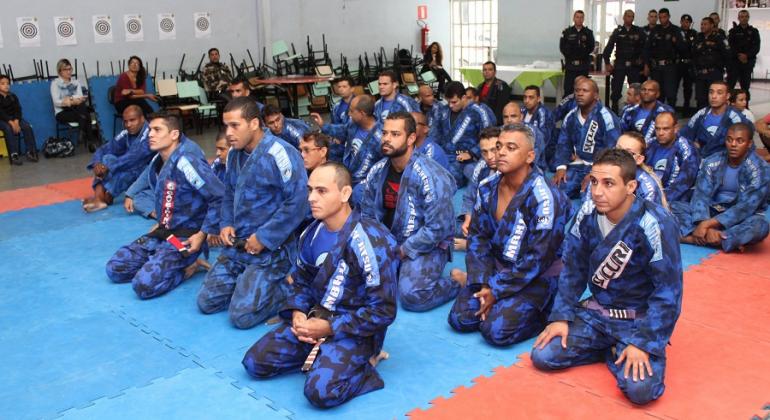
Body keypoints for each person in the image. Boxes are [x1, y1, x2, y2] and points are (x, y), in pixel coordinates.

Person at [532, 148, 683, 406]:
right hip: (597, 314)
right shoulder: (588, 213)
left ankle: (620, 347)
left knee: (640, 390)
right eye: (593, 181)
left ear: (631, 186)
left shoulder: (655, 223)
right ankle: (609, 348)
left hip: (638, 320)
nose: (597, 191)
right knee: (543, 356)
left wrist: (643, 343)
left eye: (608, 183)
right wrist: (561, 317)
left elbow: (668, 292)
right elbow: (573, 270)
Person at [242, 162, 399, 408]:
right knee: (255, 363)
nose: (312, 198)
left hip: (354, 330)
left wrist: (329, 327)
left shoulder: (371, 241)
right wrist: (298, 313)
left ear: (345, 194)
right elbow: (301, 282)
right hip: (315, 320)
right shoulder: (310, 234)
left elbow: (383, 311)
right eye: (310, 190)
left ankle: (366, 363)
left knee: (321, 393)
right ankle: (323, 358)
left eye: (322, 191)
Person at [449, 123, 571, 346]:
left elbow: (538, 258)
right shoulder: (487, 187)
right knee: (460, 319)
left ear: (530, 156)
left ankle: (544, 312)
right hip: (497, 269)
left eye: (511, 147)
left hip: (536, 277)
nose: (501, 152)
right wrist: (484, 282)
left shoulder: (546, 198)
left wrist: (497, 289)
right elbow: (478, 238)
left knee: (495, 331)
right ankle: (496, 299)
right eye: (499, 146)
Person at [197, 97, 309, 329]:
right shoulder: (235, 154)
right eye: (226, 125)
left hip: (272, 250)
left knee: (241, 317)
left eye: (235, 125)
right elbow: (229, 192)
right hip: (238, 246)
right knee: (206, 302)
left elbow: (298, 203)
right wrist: (226, 223)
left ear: (255, 124)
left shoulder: (281, 154)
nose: (228, 133)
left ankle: (289, 287)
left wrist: (265, 237)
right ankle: (249, 284)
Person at [105, 113, 224, 299]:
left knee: (142, 286)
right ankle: (161, 261)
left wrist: (202, 235)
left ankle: (188, 266)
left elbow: (219, 196)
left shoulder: (187, 161)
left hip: (183, 239)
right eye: (150, 130)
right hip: (162, 233)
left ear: (174, 134)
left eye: (157, 130)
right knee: (115, 268)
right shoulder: (158, 159)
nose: (150, 134)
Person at [360, 112, 459, 311]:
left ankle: (458, 282)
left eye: (395, 134)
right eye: (385, 133)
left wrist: (404, 250)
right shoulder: (377, 171)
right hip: (389, 242)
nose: (387, 139)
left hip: (426, 245)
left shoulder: (430, 175)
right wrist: (378, 245)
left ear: (411, 138)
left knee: (412, 296)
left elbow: (437, 228)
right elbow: (368, 215)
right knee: (355, 284)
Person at [673, 122, 770, 252]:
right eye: (729, 140)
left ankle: (690, 237)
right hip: (711, 210)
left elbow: (746, 207)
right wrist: (703, 221)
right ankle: (722, 240)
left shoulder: (760, 169)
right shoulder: (712, 161)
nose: (733, 145)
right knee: (670, 207)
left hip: (741, 218)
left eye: (739, 141)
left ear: (749, 144)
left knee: (760, 226)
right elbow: (700, 195)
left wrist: (707, 225)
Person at [553, 78, 622, 199]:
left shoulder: (606, 117)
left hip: (601, 168)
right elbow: (563, 144)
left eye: (585, 90)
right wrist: (561, 167)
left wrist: (595, 172)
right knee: (556, 191)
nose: (579, 94)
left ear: (595, 95)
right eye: (577, 90)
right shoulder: (571, 116)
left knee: (590, 197)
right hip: (577, 166)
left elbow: (613, 150)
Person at [83, 105, 153, 212]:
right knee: (107, 158)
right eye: (125, 121)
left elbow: (134, 158)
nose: (128, 125)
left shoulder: (150, 134)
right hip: (132, 170)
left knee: (130, 167)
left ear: (142, 119)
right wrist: (97, 164)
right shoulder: (126, 133)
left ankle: (107, 196)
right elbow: (104, 149)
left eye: (132, 120)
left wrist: (108, 167)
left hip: (149, 175)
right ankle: (100, 196)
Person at [311, 95, 382, 200]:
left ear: (362, 114)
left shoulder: (381, 138)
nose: (349, 114)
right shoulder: (353, 124)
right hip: (347, 172)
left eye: (352, 111)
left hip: (364, 183)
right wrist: (323, 126)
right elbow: (343, 130)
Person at [437, 81, 495, 187]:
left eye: (454, 102)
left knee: (448, 178)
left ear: (464, 97)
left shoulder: (479, 112)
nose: (450, 105)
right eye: (448, 102)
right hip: (444, 154)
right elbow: (436, 133)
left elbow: (491, 137)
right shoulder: (444, 111)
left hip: (465, 157)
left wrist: (472, 153)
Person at [679, 80, 750, 158]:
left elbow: (745, 146)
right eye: (711, 92)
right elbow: (684, 135)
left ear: (727, 96)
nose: (714, 96)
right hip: (700, 160)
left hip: (725, 162)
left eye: (719, 93)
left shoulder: (736, 118)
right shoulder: (701, 114)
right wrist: (692, 145)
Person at [457, 127, 500, 253]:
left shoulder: (512, 172)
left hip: (502, 228)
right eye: (484, 152)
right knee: (444, 225)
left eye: (494, 150)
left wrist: (471, 243)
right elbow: (470, 196)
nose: (489, 157)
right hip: (480, 220)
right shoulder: (482, 166)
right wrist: (468, 219)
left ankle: (475, 245)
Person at [645, 112, 700, 203]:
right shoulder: (649, 144)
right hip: (648, 194)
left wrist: (659, 200)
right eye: (657, 129)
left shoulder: (687, 149)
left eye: (665, 129)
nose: (660, 133)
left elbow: (683, 184)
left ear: (675, 129)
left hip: (675, 201)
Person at [603, 9, 646, 113]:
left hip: (634, 65)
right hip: (620, 64)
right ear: (623, 17)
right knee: (616, 89)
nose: (629, 18)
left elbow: (645, 47)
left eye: (631, 16)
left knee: (636, 89)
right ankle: (614, 110)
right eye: (628, 16)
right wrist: (607, 62)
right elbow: (609, 47)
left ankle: (636, 111)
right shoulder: (618, 31)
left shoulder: (639, 31)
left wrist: (643, 62)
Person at [51, 58, 98, 149]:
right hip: (62, 112)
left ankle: (81, 131)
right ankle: (90, 142)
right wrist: (73, 101)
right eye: (66, 69)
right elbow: (56, 102)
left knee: (82, 108)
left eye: (70, 69)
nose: (69, 72)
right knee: (86, 116)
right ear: (60, 71)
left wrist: (70, 99)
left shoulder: (75, 82)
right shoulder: (55, 84)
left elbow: (80, 97)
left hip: (76, 110)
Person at [610, 132, 666, 207]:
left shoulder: (647, 188)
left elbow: (650, 217)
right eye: (618, 149)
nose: (619, 155)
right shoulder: (603, 171)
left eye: (628, 152)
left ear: (639, 159)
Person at [642, 8, 684, 106]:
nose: (662, 20)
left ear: (668, 17)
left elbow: (684, 49)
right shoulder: (655, 30)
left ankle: (671, 116)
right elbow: (647, 48)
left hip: (670, 67)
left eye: (664, 17)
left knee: (671, 94)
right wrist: (647, 65)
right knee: (657, 93)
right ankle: (658, 115)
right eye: (660, 18)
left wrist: (676, 42)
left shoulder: (676, 30)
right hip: (656, 67)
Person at [692, 17, 730, 111]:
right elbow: (693, 55)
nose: (702, 26)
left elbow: (728, 54)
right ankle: (701, 119)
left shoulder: (719, 38)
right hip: (700, 73)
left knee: (715, 97)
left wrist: (724, 69)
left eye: (705, 24)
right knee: (700, 99)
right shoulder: (698, 37)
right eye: (701, 24)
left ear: (712, 25)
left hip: (714, 73)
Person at [620, 80, 674, 144]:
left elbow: (672, 135)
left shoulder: (666, 111)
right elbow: (622, 132)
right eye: (643, 89)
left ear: (657, 94)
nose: (646, 92)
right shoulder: (629, 110)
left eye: (651, 90)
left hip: (657, 149)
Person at [0, 74, 38, 165]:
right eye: (2, 83)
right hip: (2, 120)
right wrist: (12, 123)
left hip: (14, 119)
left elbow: (18, 110)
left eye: (8, 83)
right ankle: (14, 154)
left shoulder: (13, 96)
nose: (6, 85)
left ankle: (30, 151)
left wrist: (16, 121)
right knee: (8, 128)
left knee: (27, 126)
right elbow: (1, 113)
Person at [501, 102, 547, 172]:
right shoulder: (499, 131)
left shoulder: (533, 133)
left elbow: (531, 160)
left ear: (521, 117)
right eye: (506, 117)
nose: (509, 120)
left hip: (532, 169)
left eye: (513, 116)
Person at [560, 10, 595, 99]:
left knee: (582, 90)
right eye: (577, 17)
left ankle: (581, 111)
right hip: (571, 66)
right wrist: (571, 56)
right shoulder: (567, 32)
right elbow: (562, 47)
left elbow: (591, 47)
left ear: (583, 19)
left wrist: (582, 54)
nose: (579, 19)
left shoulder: (588, 32)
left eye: (581, 17)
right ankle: (567, 111)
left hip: (583, 66)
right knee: (568, 90)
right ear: (573, 18)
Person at [727, 10, 761, 93]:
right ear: (738, 18)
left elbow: (756, 47)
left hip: (747, 63)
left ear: (748, 18)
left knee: (745, 88)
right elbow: (730, 46)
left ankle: (745, 105)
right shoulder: (733, 31)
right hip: (734, 62)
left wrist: (747, 56)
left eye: (746, 16)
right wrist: (739, 55)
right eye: (742, 16)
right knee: (729, 86)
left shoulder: (754, 31)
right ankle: (727, 105)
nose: (744, 18)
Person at [521, 85, 555, 166]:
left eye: (531, 97)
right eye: (525, 97)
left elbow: (543, 140)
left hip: (544, 154)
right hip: (524, 149)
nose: (527, 100)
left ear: (539, 99)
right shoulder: (522, 111)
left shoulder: (544, 113)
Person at [677, 14, 698, 116]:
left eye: (688, 22)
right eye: (684, 22)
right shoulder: (676, 32)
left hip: (689, 64)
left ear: (690, 23)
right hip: (677, 64)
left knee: (688, 88)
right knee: (673, 87)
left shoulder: (694, 33)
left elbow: (694, 49)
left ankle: (686, 108)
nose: (686, 24)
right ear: (680, 22)